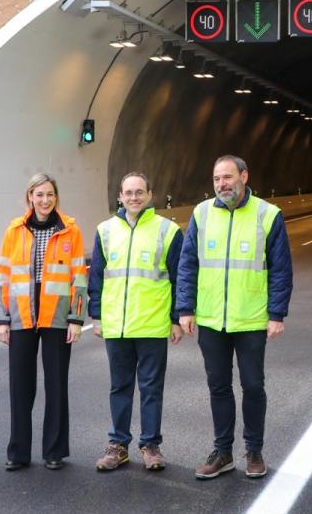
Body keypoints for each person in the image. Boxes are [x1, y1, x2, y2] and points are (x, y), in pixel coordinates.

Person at [177, 155, 293, 480]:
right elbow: (188, 265)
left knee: (253, 386)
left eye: (227, 177)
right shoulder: (201, 214)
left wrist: (276, 314)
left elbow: (281, 270)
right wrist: (185, 309)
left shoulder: (267, 215)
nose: (221, 184)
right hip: (212, 319)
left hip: (252, 319)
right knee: (218, 386)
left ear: (244, 176)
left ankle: (254, 450)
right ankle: (223, 452)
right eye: (216, 179)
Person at [88, 172, 184, 472]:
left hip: (153, 325)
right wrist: (98, 317)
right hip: (117, 325)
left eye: (139, 192)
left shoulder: (167, 231)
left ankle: (151, 445)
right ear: (120, 196)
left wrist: (176, 319)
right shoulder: (104, 231)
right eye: (128, 192)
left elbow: (180, 278)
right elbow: (97, 279)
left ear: (149, 195)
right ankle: (118, 445)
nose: (133, 197)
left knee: (151, 388)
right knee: (120, 387)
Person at [0, 173, 87, 471]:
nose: (45, 200)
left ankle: (54, 451)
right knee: (20, 386)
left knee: (56, 385)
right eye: (39, 194)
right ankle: (18, 452)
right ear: (29, 197)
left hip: (57, 317)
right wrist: (1, 319)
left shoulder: (70, 230)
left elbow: (78, 278)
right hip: (21, 315)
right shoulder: (14, 230)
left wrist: (76, 319)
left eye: (50, 195)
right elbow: (3, 276)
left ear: (56, 197)